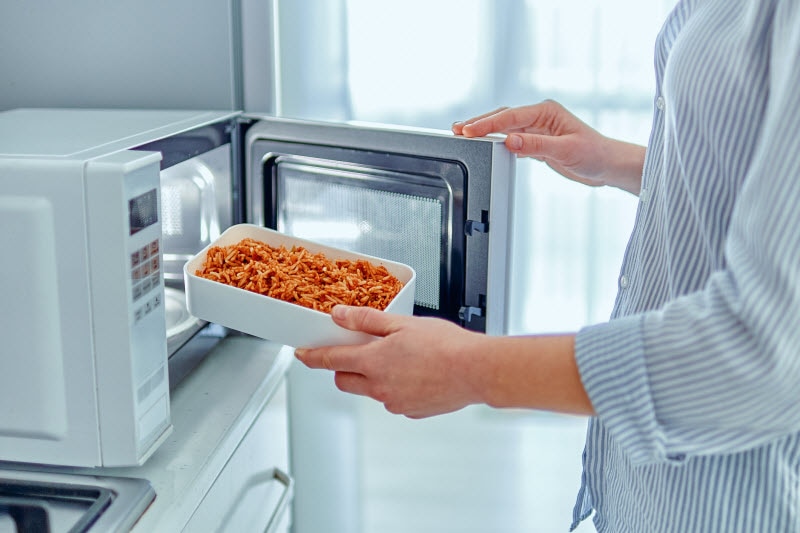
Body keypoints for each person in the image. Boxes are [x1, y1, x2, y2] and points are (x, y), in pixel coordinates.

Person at [295, 1, 800, 531]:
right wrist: (618, 160)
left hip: (736, 502)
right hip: (657, 495)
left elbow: (767, 351)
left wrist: (473, 369)